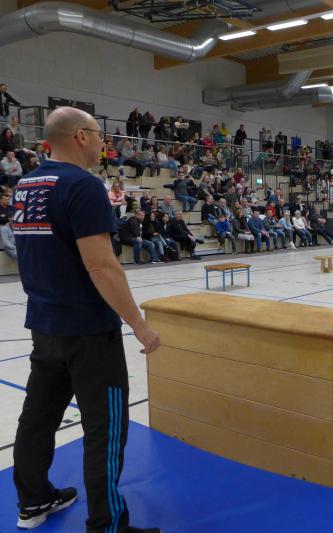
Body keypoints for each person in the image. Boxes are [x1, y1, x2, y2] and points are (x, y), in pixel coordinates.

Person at [10, 106, 160, 533]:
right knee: (105, 428)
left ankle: (33, 500)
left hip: (45, 325)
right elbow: (102, 266)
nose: (102, 143)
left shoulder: (25, 185)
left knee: (38, 419)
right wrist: (139, 325)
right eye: (98, 135)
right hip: (90, 331)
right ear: (80, 136)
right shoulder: (83, 185)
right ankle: (107, 524)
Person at [0, 188, 17, 260]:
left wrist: (6, 218)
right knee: (2, 227)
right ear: (1, 200)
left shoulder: (11, 208)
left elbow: (14, 218)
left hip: (11, 226)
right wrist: (8, 218)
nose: (7, 201)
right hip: (2, 227)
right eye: (5, 199)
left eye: (8, 200)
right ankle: (7, 245)